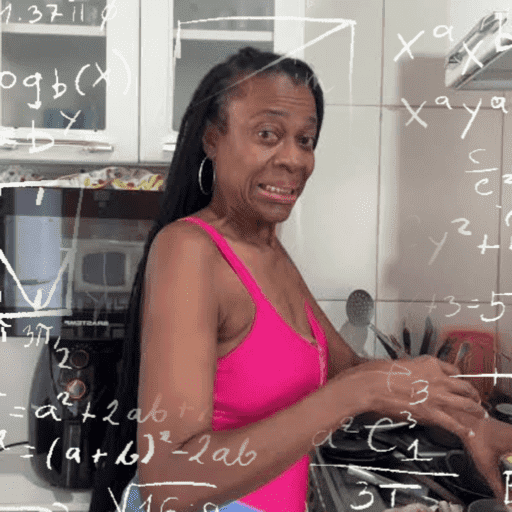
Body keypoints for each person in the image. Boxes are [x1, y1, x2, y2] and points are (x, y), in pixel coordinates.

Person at [88, 46, 502, 512]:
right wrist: (357, 392)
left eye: (305, 140)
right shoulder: (190, 250)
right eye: (268, 134)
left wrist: (471, 424)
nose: (294, 159)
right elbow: (169, 483)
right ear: (212, 139)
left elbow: (346, 369)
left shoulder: (268, 250)